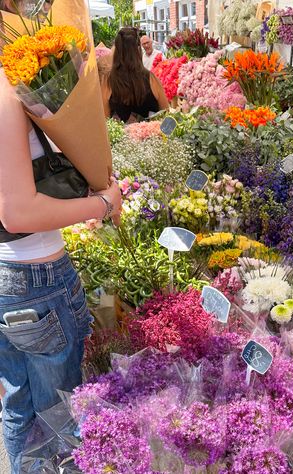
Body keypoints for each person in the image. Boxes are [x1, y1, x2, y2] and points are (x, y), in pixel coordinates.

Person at [0, 2, 122, 472]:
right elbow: (17, 211)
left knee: (19, 407)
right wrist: (104, 203)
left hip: (9, 276)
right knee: (58, 421)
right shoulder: (7, 93)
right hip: (35, 278)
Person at [102, 27, 169, 123]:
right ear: (138, 50)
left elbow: (105, 122)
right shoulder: (151, 79)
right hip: (153, 136)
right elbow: (167, 117)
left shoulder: (107, 82)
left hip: (119, 137)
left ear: (117, 51)